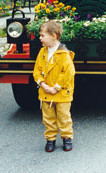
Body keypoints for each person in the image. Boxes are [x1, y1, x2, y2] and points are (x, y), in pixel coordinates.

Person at [32, 20, 75, 152]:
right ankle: (50, 139)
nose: (40, 38)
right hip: (46, 93)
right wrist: (43, 84)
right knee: (48, 118)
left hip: (61, 93)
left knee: (63, 117)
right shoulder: (42, 52)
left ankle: (67, 138)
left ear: (53, 36)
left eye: (42, 35)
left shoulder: (64, 54)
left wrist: (55, 87)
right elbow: (37, 71)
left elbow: (68, 73)